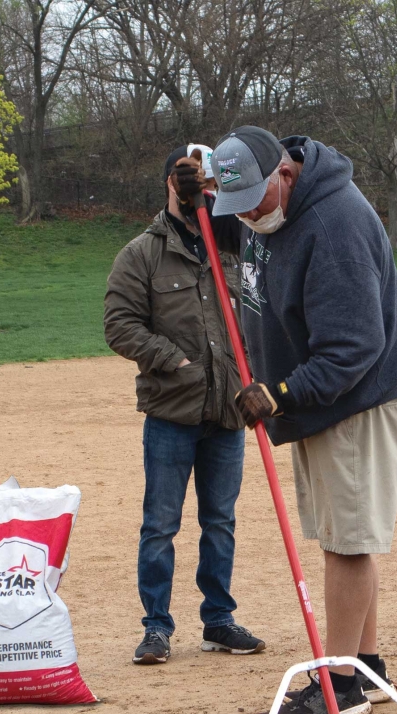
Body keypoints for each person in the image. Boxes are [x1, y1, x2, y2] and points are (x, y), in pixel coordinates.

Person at [176, 126, 397, 714]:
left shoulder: (336, 226)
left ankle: (340, 686)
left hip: (351, 399)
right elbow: (230, 226)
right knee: (343, 530)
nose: (247, 216)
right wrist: (189, 196)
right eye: (237, 205)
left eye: (254, 201)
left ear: (285, 175)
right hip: (319, 400)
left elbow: (355, 345)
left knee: (349, 540)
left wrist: (282, 394)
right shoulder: (270, 211)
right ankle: (365, 666)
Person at [104, 146, 266, 665]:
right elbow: (119, 325)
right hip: (171, 413)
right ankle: (156, 628)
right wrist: (170, 359)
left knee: (220, 522)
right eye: (191, 179)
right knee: (161, 524)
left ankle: (218, 621)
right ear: (170, 183)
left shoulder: (234, 244)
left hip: (228, 410)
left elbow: (264, 305)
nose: (202, 188)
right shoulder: (141, 253)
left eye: (210, 180)